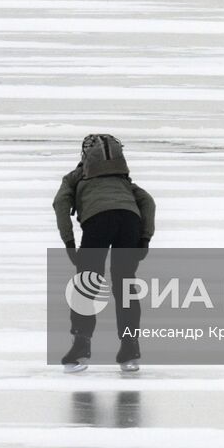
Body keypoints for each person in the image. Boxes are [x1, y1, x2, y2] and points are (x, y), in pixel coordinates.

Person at [53, 134, 156, 372]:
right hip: (129, 221)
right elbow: (148, 202)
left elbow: (60, 204)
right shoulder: (124, 181)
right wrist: (145, 238)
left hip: (98, 221)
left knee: (87, 283)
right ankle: (130, 348)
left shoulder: (76, 177)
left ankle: (81, 347)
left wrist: (69, 243)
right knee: (125, 284)